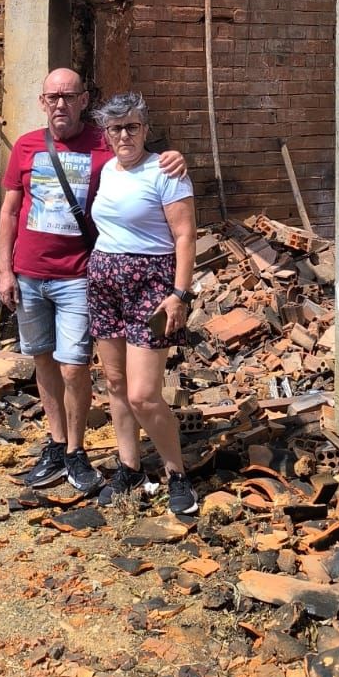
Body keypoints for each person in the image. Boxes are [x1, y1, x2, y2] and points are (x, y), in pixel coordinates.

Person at [0, 69, 185, 495]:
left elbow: (141, 157)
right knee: (43, 360)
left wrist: (177, 156)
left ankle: (78, 450)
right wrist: (5, 270)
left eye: (69, 95)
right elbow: (9, 211)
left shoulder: (105, 143)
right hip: (29, 274)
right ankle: (58, 444)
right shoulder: (26, 146)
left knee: (74, 366)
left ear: (84, 101)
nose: (60, 103)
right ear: (42, 102)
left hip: (82, 277)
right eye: (52, 97)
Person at [87, 92, 198, 519]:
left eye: (132, 126)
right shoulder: (106, 169)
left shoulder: (166, 170)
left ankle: (176, 473)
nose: (124, 135)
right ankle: (130, 467)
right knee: (115, 385)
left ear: (146, 128)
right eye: (116, 128)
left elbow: (186, 236)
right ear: (107, 133)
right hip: (104, 284)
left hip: (151, 287)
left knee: (144, 394)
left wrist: (180, 294)